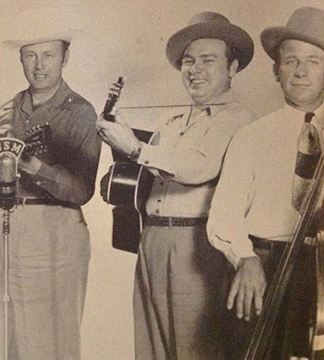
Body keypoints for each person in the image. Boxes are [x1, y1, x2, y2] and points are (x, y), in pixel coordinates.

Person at [96, 11, 255, 360]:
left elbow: (196, 168)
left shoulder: (239, 120)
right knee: (151, 348)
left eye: (208, 60)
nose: (195, 69)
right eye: (188, 61)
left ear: (232, 68)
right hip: (151, 240)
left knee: (195, 351)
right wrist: (116, 133)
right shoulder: (168, 120)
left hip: (198, 249)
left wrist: (135, 147)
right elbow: (142, 174)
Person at [0, 8, 101, 360]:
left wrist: (34, 167)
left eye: (48, 55)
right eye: (30, 55)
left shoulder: (80, 112)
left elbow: (81, 190)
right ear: (20, 58)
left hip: (52, 232)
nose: (39, 65)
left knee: (50, 339)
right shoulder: (4, 108)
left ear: (66, 56)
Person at [207, 6, 324, 359]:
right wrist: (245, 259)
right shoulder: (251, 137)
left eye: (314, 61)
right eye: (291, 61)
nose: (301, 71)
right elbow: (223, 215)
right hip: (264, 266)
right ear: (276, 71)